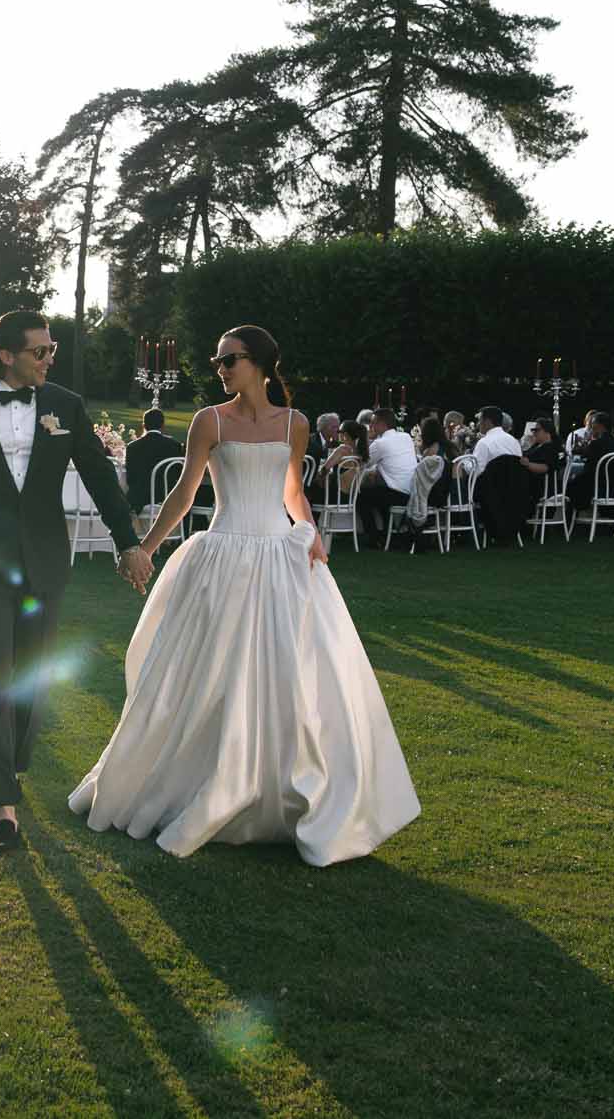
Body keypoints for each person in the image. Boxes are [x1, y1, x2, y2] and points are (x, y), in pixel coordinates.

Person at [69, 324, 419, 863]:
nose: (221, 370)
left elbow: (293, 490)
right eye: (217, 362)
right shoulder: (210, 420)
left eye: (228, 360)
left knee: (291, 675)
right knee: (209, 674)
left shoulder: (295, 424)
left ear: (257, 362)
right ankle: (206, 783)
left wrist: (311, 530)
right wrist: (144, 546)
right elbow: (186, 493)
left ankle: (279, 790)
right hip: (223, 556)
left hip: (281, 555)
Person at [0, 310, 147, 856]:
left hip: (44, 562)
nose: (51, 359)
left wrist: (127, 542)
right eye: (40, 351)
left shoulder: (65, 406)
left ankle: (14, 761)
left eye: (52, 350)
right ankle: (4, 810)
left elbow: (98, 475)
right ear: (6, 355)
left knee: (32, 680)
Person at [358, 408, 416, 546]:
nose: (370, 426)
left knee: (360, 497)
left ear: (382, 424)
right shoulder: (406, 436)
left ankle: (373, 537)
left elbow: (362, 463)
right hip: (412, 490)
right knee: (379, 492)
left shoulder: (380, 443)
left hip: (397, 493)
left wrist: (367, 439)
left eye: (373, 423)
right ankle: (385, 533)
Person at [123, 408, 184, 513]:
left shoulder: (132, 447)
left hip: (139, 498)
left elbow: (130, 479)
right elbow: (178, 474)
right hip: (166, 496)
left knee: (125, 500)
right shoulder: (174, 445)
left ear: (144, 425)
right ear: (163, 426)